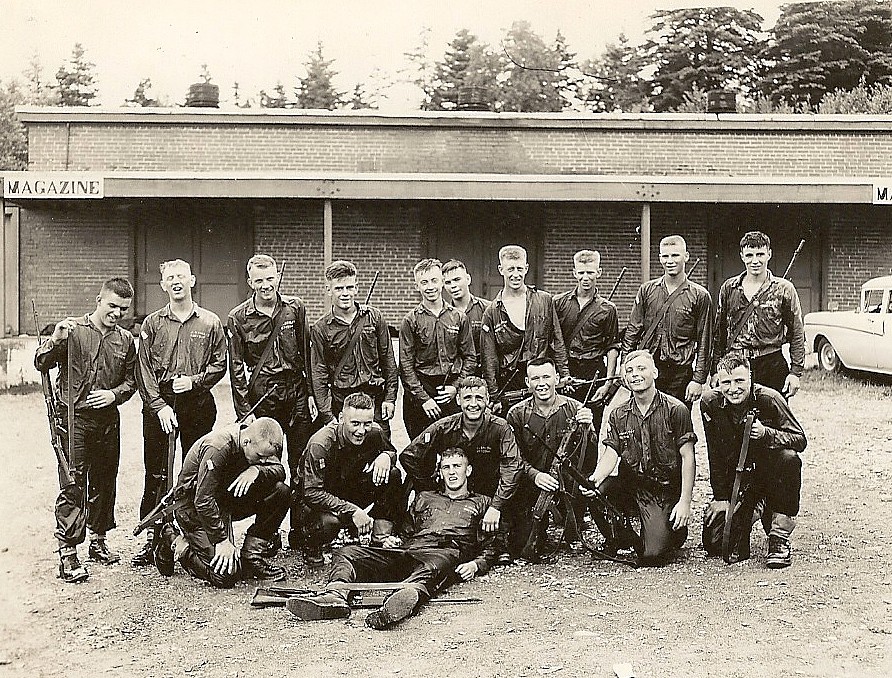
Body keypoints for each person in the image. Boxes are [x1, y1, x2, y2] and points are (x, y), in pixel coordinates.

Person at [287, 447, 496, 630]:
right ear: (440, 472)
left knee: (433, 567)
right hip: (409, 550)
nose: (452, 472)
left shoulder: (483, 503)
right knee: (346, 552)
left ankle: (397, 603)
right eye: (446, 467)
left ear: (468, 470)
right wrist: (392, 540)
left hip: (444, 552)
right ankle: (335, 596)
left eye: (457, 466)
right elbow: (406, 530)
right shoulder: (425, 497)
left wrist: (477, 564)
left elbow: (495, 544)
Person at [34, 278, 137, 583]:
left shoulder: (125, 340)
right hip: (74, 419)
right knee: (73, 482)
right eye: (112, 306)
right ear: (98, 300)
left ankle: (99, 540)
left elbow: (131, 381)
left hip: (107, 420)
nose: (117, 313)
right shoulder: (72, 330)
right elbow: (41, 362)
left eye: (123, 309)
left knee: (105, 482)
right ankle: (67, 553)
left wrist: (114, 395)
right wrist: (54, 340)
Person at [132, 259, 227, 568]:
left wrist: (195, 382)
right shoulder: (151, 324)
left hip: (197, 405)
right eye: (170, 277)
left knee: (198, 471)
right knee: (157, 472)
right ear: (163, 285)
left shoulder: (210, 322)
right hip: (161, 406)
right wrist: (158, 406)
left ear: (192, 280)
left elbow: (219, 364)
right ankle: (155, 536)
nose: (176, 282)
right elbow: (143, 368)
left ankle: (195, 535)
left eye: (181, 277)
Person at [227, 254, 316, 551]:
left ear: (278, 277)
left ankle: (301, 529)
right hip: (263, 395)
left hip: (296, 393)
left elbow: (308, 352)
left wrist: (313, 394)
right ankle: (269, 530)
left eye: (270, 278)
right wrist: (245, 413)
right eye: (259, 280)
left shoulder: (295, 307)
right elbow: (236, 368)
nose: (266, 285)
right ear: (250, 282)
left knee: (302, 461)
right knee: (267, 463)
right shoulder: (238, 317)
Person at [582, 350, 696, 566]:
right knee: (597, 492)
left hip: (663, 490)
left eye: (641, 369)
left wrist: (685, 502)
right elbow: (611, 452)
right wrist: (595, 478)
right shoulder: (618, 414)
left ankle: (671, 531)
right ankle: (621, 537)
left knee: (651, 556)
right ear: (624, 378)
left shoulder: (676, 409)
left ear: (655, 372)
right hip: (632, 484)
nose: (635, 375)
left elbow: (688, 457)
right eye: (630, 371)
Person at [152, 417, 291, 587]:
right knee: (225, 576)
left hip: (223, 501)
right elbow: (203, 500)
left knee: (281, 491)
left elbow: (279, 469)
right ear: (246, 442)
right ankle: (173, 539)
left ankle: (251, 557)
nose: (264, 461)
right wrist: (222, 541)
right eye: (260, 457)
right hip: (195, 511)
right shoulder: (218, 447)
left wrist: (256, 470)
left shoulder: (257, 444)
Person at [400, 375, 522, 564]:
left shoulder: (500, 428)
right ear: (458, 400)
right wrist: (430, 487)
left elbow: (512, 466)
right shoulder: (444, 426)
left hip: (491, 489)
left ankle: (500, 544)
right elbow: (410, 455)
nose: (473, 404)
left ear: (487, 400)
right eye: (467, 398)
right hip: (455, 486)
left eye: (479, 398)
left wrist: (496, 506)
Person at [700, 354, 806, 568]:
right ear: (717, 383)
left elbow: (799, 439)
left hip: (771, 475)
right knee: (716, 543)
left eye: (739, 381)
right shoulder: (710, 403)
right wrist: (721, 497)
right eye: (726, 383)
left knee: (789, 458)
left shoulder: (770, 398)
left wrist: (767, 433)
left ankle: (779, 535)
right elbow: (714, 454)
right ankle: (756, 508)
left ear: (750, 378)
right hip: (741, 480)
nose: (733, 389)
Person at [297, 392, 405, 567]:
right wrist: (353, 511)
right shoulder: (321, 444)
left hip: (349, 489)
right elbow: (311, 493)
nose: (361, 431)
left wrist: (386, 456)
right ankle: (311, 547)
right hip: (316, 502)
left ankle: (380, 537)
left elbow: (391, 451)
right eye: (355, 423)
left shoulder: (375, 433)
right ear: (341, 418)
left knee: (392, 475)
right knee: (328, 523)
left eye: (367, 424)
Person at [505, 357, 597, 560]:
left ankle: (574, 522)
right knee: (523, 544)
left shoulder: (574, 408)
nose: (541, 383)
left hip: (567, 486)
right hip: (531, 485)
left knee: (575, 527)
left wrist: (588, 427)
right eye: (535, 378)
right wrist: (535, 475)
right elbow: (513, 458)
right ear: (527, 383)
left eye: (546, 377)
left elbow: (590, 453)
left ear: (557, 378)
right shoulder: (517, 414)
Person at [712, 231, 806, 398]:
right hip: (736, 365)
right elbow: (719, 333)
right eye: (749, 255)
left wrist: (795, 373)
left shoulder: (784, 289)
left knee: (772, 420)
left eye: (760, 254)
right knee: (737, 420)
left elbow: (797, 332)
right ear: (742, 256)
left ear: (769, 254)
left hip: (771, 363)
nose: (755, 261)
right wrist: (715, 371)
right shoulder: (729, 288)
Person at [310, 260, 398, 436]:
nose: (345, 294)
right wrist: (328, 416)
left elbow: (388, 360)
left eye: (349, 288)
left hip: (374, 400)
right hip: (342, 401)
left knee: (381, 452)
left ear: (356, 288)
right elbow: (319, 373)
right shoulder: (321, 328)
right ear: (329, 290)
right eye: (339, 288)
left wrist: (390, 398)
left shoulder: (374, 318)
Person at [622, 235, 712, 404]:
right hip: (648, 368)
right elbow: (633, 330)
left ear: (686, 256)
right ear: (659, 258)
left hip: (680, 372)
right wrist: (625, 364)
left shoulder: (700, 296)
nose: (670, 261)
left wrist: (698, 380)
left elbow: (705, 341)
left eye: (675, 255)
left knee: (676, 422)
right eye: (665, 256)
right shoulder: (647, 290)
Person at [480, 245, 569, 413]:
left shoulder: (544, 301)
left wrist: (564, 375)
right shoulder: (492, 312)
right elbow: (488, 358)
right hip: (510, 382)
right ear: (501, 270)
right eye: (510, 269)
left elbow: (557, 340)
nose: (515, 274)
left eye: (520, 269)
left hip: (540, 376)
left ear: (526, 268)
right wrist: (494, 395)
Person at [399, 258, 477, 440]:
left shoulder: (459, 318)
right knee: (421, 452)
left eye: (434, 281)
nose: (430, 287)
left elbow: (470, 358)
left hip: (450, 388)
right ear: (416, 286)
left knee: (454, 450)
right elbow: (405, 365)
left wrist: (456, 388)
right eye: (424, 282)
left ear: (442, 281)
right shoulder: (410, 321)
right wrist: (424, 399)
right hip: (420, 392)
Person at [552, 248, 620, 447]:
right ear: (574, 273)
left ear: (599, 272)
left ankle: (587, 474)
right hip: (566, 370)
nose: (585, 277)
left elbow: (613, 347)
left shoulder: (608, 309)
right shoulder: (559, 303)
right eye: (581, 272)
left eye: (590, 272)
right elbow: (553, 341)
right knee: (562, 424)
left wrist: (607, 384)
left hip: (594, 373)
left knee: (590, 426)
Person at [442, 259, 489, 371]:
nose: (453, 285)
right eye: (448, 282)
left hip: (483, 373)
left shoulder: (487, 309)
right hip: (457, 375)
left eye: (457, 279)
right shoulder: (443, 315)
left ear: (468, 279)